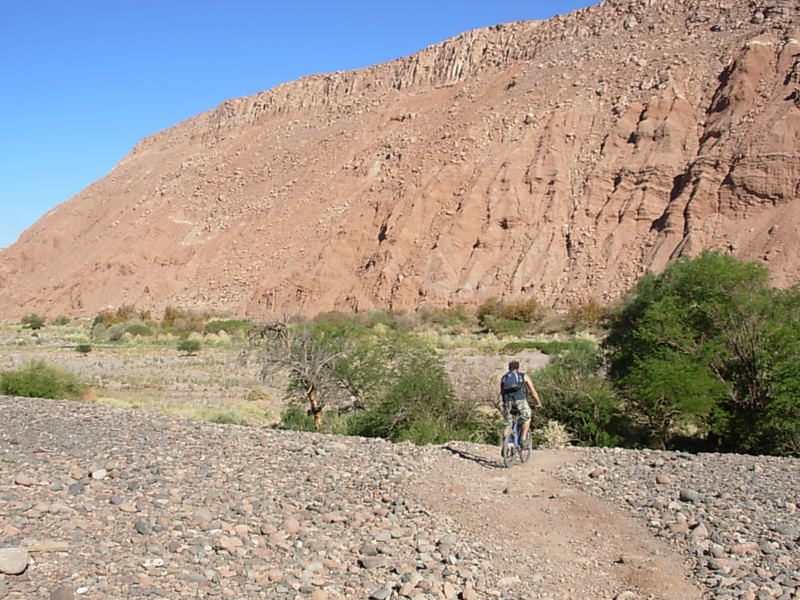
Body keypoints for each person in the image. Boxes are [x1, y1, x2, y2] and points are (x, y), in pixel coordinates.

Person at [499, 360, 542, 453]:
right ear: (518, 368)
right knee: (527, 417)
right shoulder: (523, 376)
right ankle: (523, 439)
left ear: (509, 368)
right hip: (520, 400)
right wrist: (538, 403)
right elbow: (533, 391)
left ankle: (505, 445)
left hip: (507, 402)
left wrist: (504, 403)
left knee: (507, 423)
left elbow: (502, 392)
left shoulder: (504, 378)